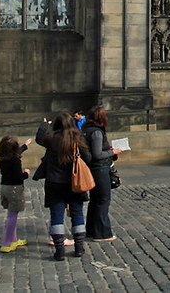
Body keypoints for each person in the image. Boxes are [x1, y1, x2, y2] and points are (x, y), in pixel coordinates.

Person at [36, 114, 90, 259]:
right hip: (74, 182)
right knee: (77, 213)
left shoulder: (51, 139)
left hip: (55, 183)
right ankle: (79, 247)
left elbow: (39, 138)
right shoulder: (78, 138)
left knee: (57, 216)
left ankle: (59, 251)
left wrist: (44, 124)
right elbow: (89, 158)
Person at [82, 106, 119, 243]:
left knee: (95, 200)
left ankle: (91, 231)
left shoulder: (86, 129)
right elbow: (97, 154)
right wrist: (113, 152)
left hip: (92, 168)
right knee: (103, 200)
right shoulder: (97, 132)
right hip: (100, 168)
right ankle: (102, 233)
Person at [0, 135, 32, 253]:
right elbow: (18, 177)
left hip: (4, 187)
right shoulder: (15, 160)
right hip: (14, 188)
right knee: (13, 216)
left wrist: (25, 146)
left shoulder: (2, 157)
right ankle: (7, 242)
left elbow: (14, 153)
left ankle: (14, 239)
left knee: (12, 213)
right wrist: (26, 173)